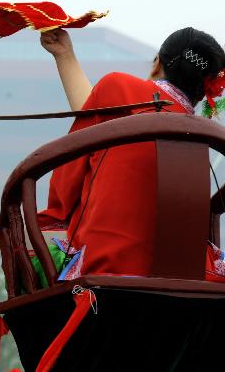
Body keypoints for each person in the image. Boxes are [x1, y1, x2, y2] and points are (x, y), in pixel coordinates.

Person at [36, 27, 225, 279]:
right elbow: (99, 117)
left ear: (158, 63)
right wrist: (66, 56)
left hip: (107, 260)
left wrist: (54, 213)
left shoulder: (118, 86)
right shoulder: (201, 133)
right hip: (187, 272)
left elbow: (69, 176)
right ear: (205, 91)